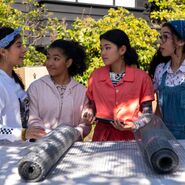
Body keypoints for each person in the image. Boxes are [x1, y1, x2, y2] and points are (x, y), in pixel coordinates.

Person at [85, 29, 154, 141]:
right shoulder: (95, 76)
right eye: (101, 48)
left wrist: (134, 125)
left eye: (107, 48)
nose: (103, 53)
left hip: (132, 139)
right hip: (101, 138)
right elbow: (91, 106)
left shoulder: (142, 78)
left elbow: (148, 114)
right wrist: (88, 113)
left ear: (122, 50)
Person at [27, 39, 91, 140]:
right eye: (48, 58)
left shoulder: (81, 91)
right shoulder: (36, 87)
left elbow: (85, 124)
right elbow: (33, 118)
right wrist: (46, 136)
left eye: (56, 59)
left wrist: (70, 136)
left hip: (71, 148)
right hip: (40, 145)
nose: (49, 63)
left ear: (68, 62)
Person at [0, 26, 45, 142]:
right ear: (3, 51)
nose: (24, 50)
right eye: (19, 45)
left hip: (21, 151)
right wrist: (22, 133)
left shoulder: (12, 79)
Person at [150, 20, 185, 139]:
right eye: (161, 37)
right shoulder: (160, 70)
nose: (160, 42)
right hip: (166, 139)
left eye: (165, 37)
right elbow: (158, 111)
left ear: (181, 41)